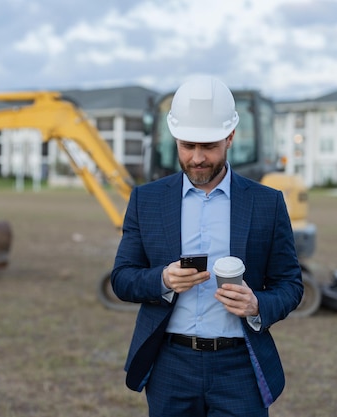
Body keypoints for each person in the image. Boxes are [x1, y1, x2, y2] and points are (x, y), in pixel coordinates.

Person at [111, 75, 304, 417]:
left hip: (239, 366)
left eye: (209, 146)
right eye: (187, 146)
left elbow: (290, 284)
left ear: (230, 137)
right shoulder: (146, 200)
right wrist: (163, 281)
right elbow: (123, 279)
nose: (197, 158)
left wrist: (258, 303)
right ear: (175, 139)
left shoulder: (267, 203)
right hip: (170, 365)